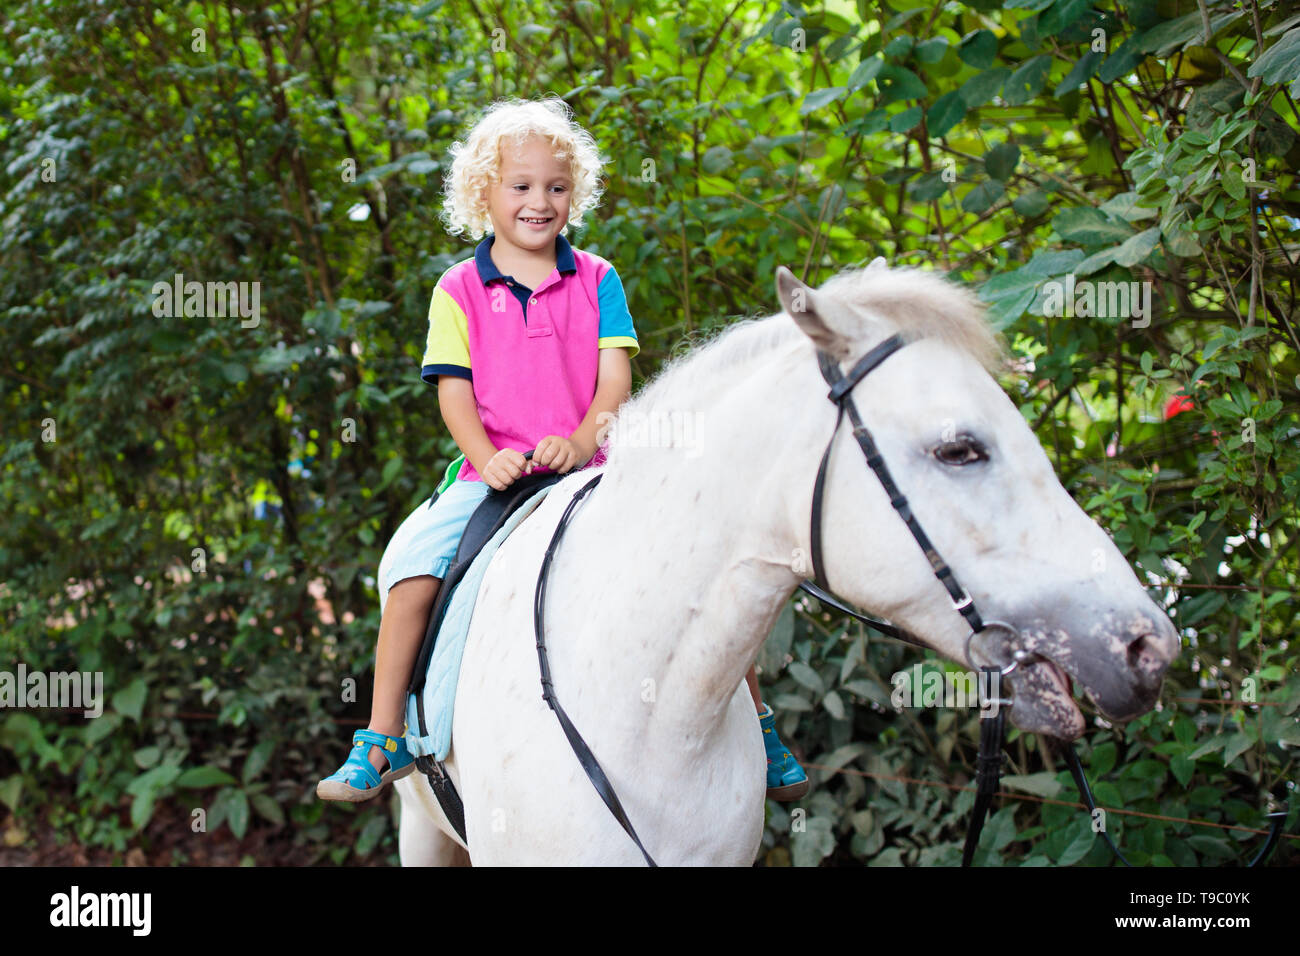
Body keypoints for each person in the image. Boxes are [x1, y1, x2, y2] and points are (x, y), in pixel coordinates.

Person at [317, 96, 807, 805]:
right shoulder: (456, 289)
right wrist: (485, 457)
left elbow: (616, 375)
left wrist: (583, 441)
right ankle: (383, 731)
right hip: (497, 478)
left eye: (555, 186)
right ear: (482, 193)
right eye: (519, 186)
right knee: (411, 565)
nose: (538, 201)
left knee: (698, 569)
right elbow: (453, 391)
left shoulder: (598, 278)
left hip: (600, 471)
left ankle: (758, 724)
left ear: (574, 194)